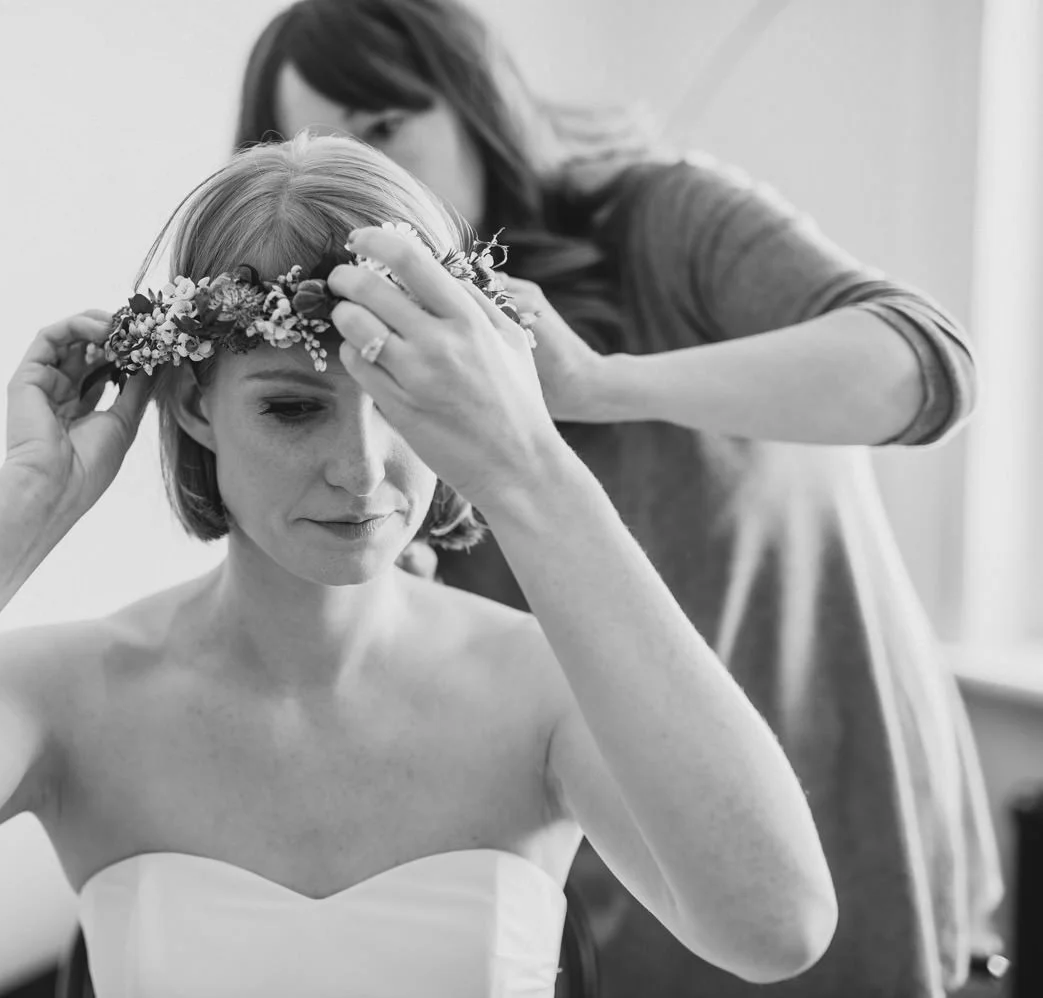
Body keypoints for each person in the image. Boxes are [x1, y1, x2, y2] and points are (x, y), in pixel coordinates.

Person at [0, 134, 837, 998]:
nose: (361, 471)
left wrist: (531, 468)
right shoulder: (73, 700)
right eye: (293, 408)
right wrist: (26, 504)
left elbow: (775, 923)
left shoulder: (546, 693)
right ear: (191, 400)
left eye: (403, 405)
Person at [235, 1, 1004, 996]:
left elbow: (922, 367)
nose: (370, 185)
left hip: (830, 795)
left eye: (387, 128)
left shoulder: (656, 221)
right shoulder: (361, 357)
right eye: (329, 144)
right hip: (599, 865)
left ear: (473, 107)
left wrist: (597, 385)